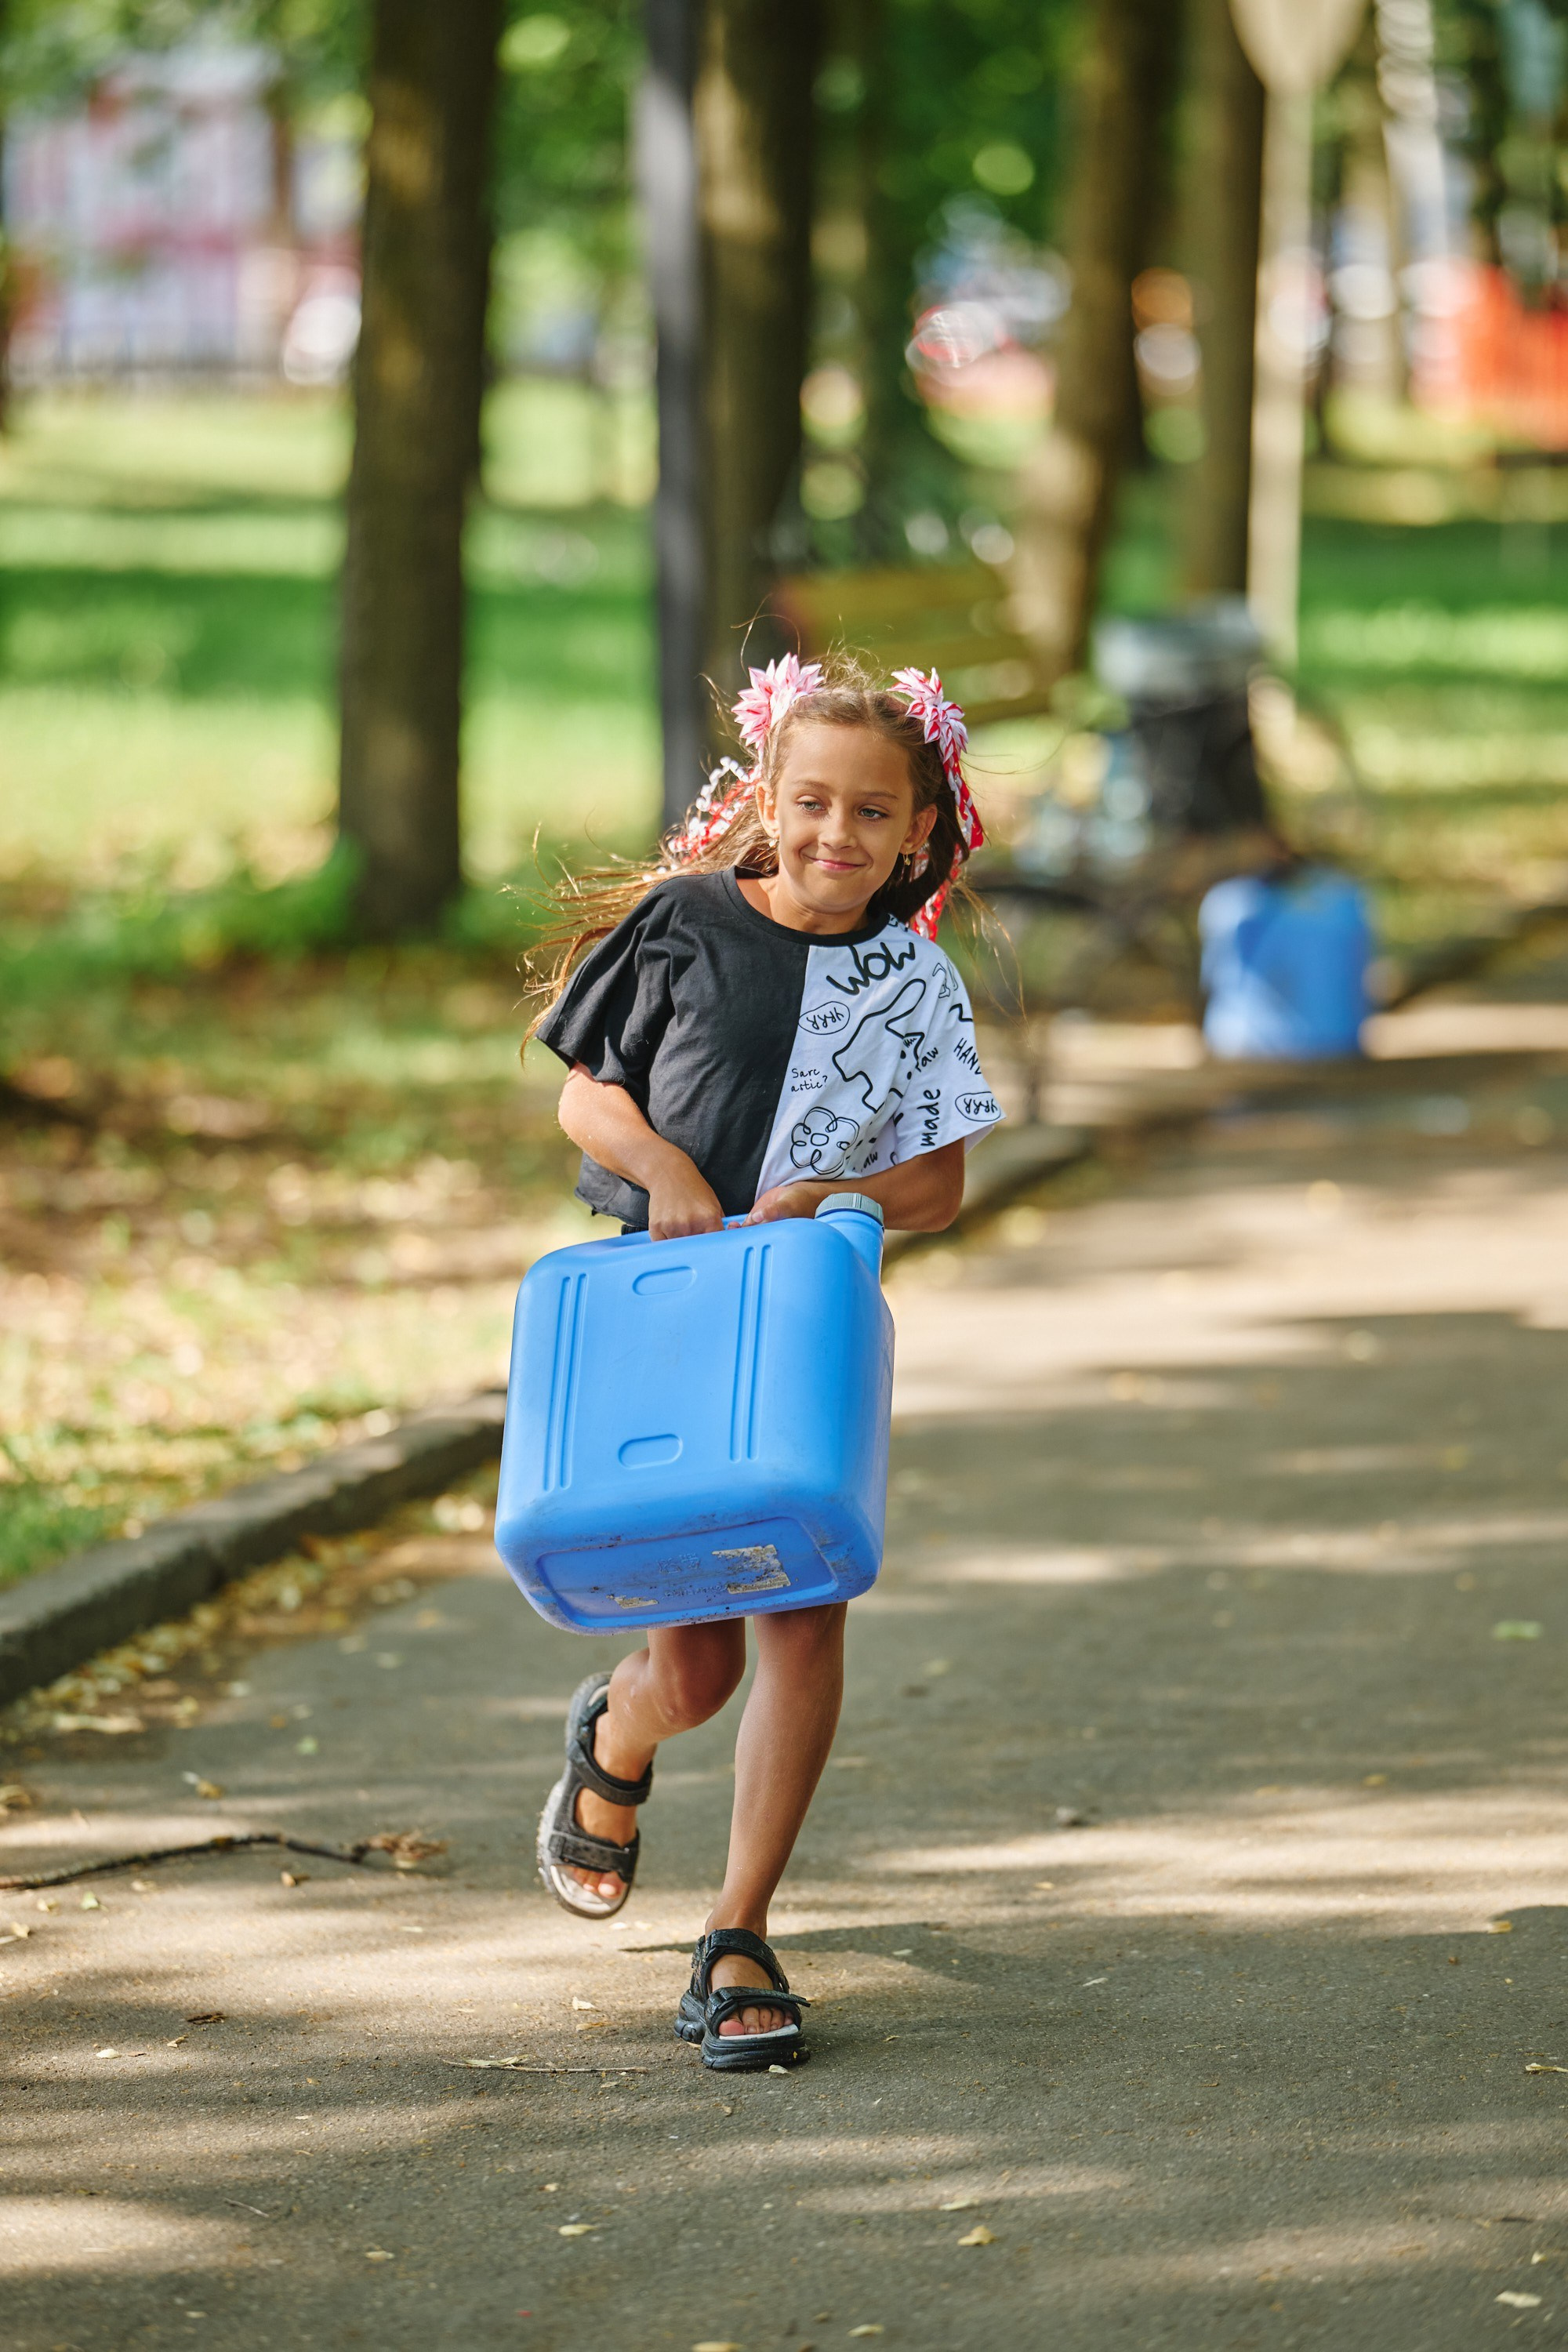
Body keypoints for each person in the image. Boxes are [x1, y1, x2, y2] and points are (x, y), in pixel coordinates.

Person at [523, 652, 1003, 2071]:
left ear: (918, 829)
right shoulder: (681, 924)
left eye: (871, 814)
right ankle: (619, 1731)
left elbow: (938, 1189)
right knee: (700, 1669)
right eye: (811, 805)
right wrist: (666, 1163)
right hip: (657, 1309)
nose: (837, 838)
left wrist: (838, 1193)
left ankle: (736, 1934)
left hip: (799, 1321)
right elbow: (580, 1093)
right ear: (767, 801)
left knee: (807, 1606)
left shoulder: (916, 983)